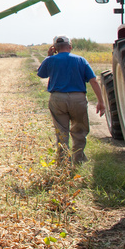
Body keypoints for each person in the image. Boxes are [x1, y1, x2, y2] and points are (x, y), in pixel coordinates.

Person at [36, 35, 106, 164]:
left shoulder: (50, 60)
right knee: (79, 131)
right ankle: (78, 160)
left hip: (57, 99)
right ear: (70, 47)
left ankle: (63, 163)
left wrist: (49, 56)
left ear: (55, 48)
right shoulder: (81, 60)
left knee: (62, 132)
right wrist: (101, 101)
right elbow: (93, 81)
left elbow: (40, 74)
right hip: (78, 99)